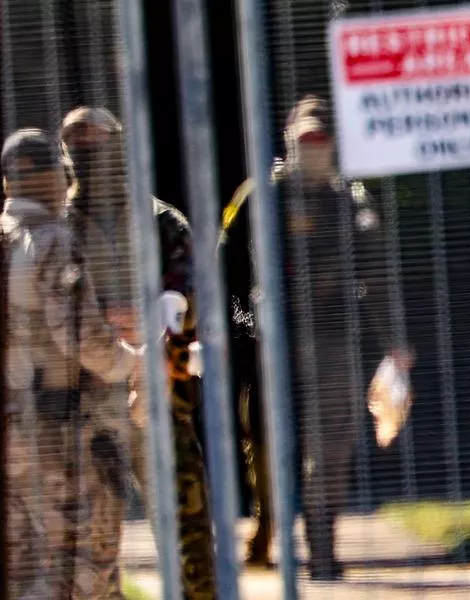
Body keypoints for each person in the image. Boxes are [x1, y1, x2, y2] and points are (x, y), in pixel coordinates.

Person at [224, 95, 410, 580]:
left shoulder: (351, 199)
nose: (313, 149)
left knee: (331, 446)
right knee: (266, 445)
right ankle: (267, 530)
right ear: (289, 142)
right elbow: (226, 269)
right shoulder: (260, 195)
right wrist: (243, 329)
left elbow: (375, 272)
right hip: (269, 341)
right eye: (304, 140)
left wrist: (393, 340)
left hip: (331, 334)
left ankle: (322, 549)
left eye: (321, 141)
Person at [59, 106, 216, 599]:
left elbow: (194, 291)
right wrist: (98, 326)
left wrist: (154, 329)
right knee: (92, 539)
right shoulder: (56, 227)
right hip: (85, 403)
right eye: (77, 146)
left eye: (97, 144)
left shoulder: (161, 220)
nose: (88, 156)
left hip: (157, 392)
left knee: (184, 524)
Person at [2, 128, 143, 598]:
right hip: (56, 432)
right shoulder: (52, 241)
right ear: (55, 179)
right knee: (86, 564)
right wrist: (136, 364)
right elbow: (84, 339)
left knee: (23, 572)